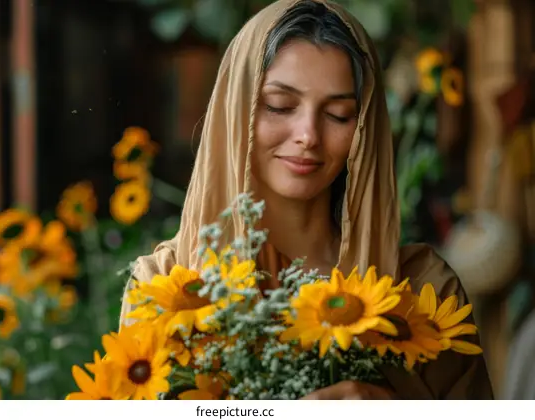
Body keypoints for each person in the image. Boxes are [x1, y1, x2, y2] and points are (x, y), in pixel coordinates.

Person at [120, 0, 493, 399]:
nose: (308, 135)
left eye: (338, 115)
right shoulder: (164, 286)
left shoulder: (423, 293)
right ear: (236, 109)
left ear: (365, 129)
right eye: (280, 106)